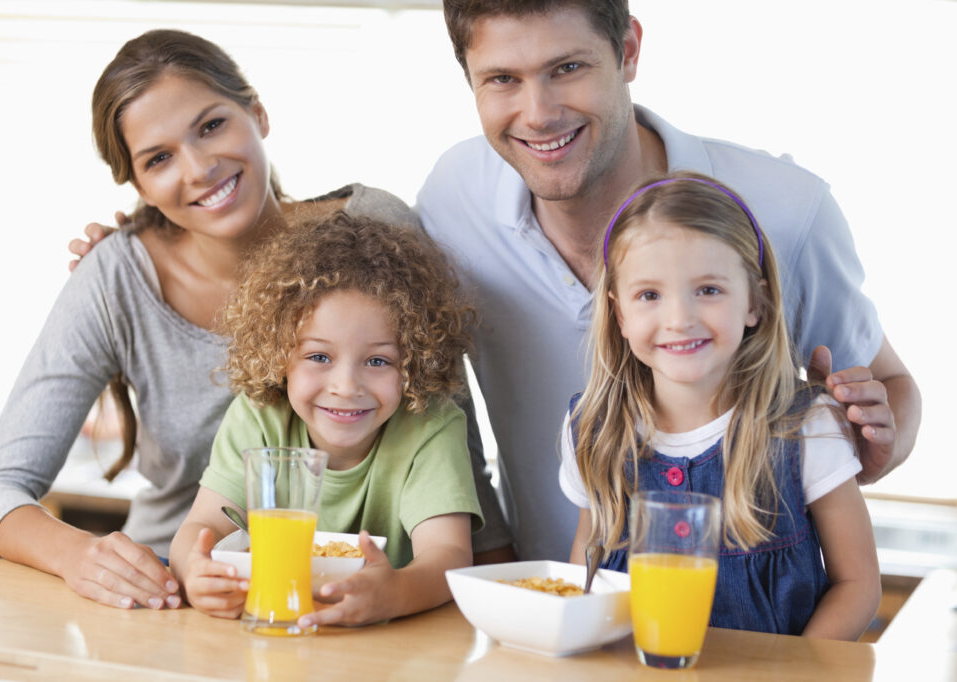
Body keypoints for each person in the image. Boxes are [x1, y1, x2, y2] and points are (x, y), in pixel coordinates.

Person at [416, 0, 920, 560]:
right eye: (503, 79)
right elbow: (436, 402)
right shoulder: (452, 197)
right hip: (553, 610)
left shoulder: (786, 209)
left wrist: (870, 442)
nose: (538, 113)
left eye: (568, 68)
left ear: (627, 51)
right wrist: (491, 553)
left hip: (752, 624)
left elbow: (892, 385)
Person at [0, 29, 420, 610]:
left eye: (211, 126)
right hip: (171, 594)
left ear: (258, 113)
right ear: (139, 185)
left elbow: (453, 445)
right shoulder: (114, 279)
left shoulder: (374, 234)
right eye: (159, 159)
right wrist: (79, 555)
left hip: (362, 598)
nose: (200, 167)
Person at [561, 172, 880, 639]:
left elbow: (858, 584)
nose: (679, 319)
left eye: (708, 290)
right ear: (619, 314)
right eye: (650, 295)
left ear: (755, 302)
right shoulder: (592, 430)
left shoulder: (808, 427)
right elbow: (582, 580)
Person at [170, 213, 483, 627]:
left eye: (378, 360)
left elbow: (449, 555)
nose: (345, 386)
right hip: (272, 627)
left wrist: (395, 594)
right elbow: (202, 526)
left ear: (414, 361)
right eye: (319, 357)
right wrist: (196, 572)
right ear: (280, 354)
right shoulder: (259, 414)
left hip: (389, 646)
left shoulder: (430, 426)